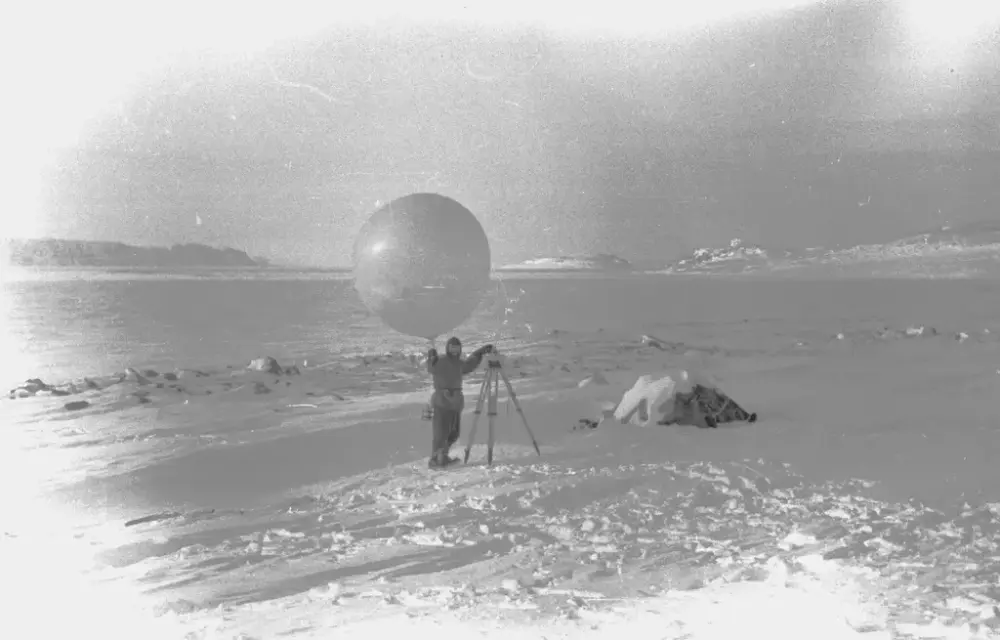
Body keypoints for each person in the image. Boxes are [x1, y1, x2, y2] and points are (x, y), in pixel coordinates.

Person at [425, 336, 494, 468]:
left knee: (454, 432)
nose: (455, 351)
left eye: (457, 348)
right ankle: (436, 460)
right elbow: (431, 368)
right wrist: (431, 357)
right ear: (447, 348)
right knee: (441, 431)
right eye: (452, 348)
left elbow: (469, 365)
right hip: (442, 401)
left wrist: (479, 353)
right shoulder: (440, 360)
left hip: (455, 402)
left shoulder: (459, 363)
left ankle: (443, 456)